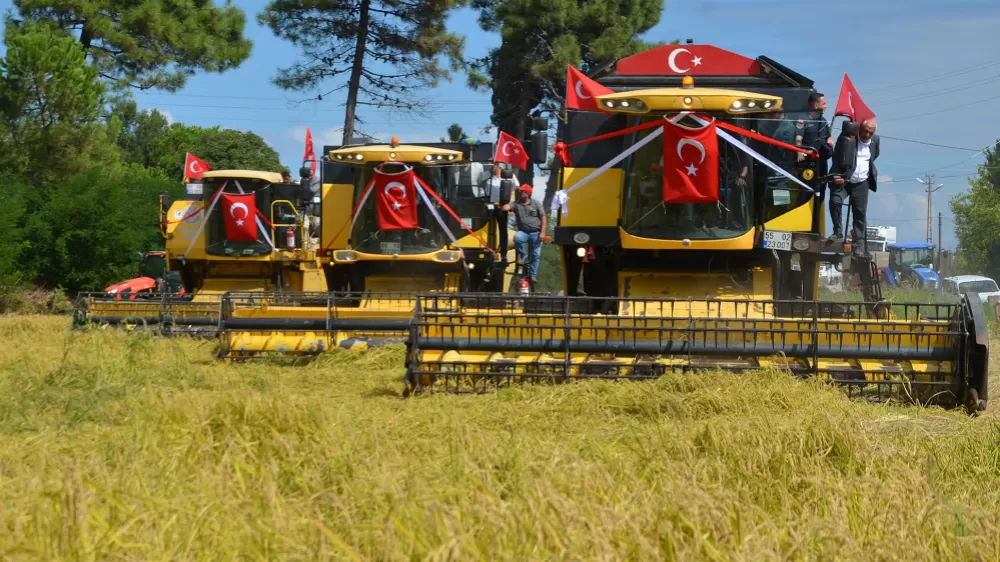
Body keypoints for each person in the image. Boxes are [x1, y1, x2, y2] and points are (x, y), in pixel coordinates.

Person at [829, 118, 880, 254]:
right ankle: (837, 231)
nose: (867, 135)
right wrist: (839, 174)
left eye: (870, 132)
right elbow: (837, 156)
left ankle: (858, 244)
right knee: (835, 200)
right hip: (844, 180)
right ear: (859, 128)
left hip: (861, 182)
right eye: (865, 131)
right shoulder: (848, 137)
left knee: (860, 213)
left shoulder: (875, 140)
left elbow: (875, 155)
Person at [503, 184, 546, 283]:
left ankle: (532, 275)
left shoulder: (536, 203)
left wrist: (542, 233)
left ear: (528, 193)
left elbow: (543, 218)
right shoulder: (516, 204)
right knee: (518, 237)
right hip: (523, 232)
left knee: (536, 255)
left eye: (523, 191)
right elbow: (508, 206)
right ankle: (524, 255)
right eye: (520, 191)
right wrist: (504, 206)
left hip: (536, 233)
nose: (520, 193)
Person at [797, 93, 834, 199]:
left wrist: (830, 143)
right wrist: (799, 152)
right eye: (824, 104)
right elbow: (798, 138)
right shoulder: (802, 120)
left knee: (821, 193)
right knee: (806, 193)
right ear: (816, 106)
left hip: (822, 162)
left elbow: (829, 138)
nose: (826, 106)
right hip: (808, 163)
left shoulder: (823, 121)